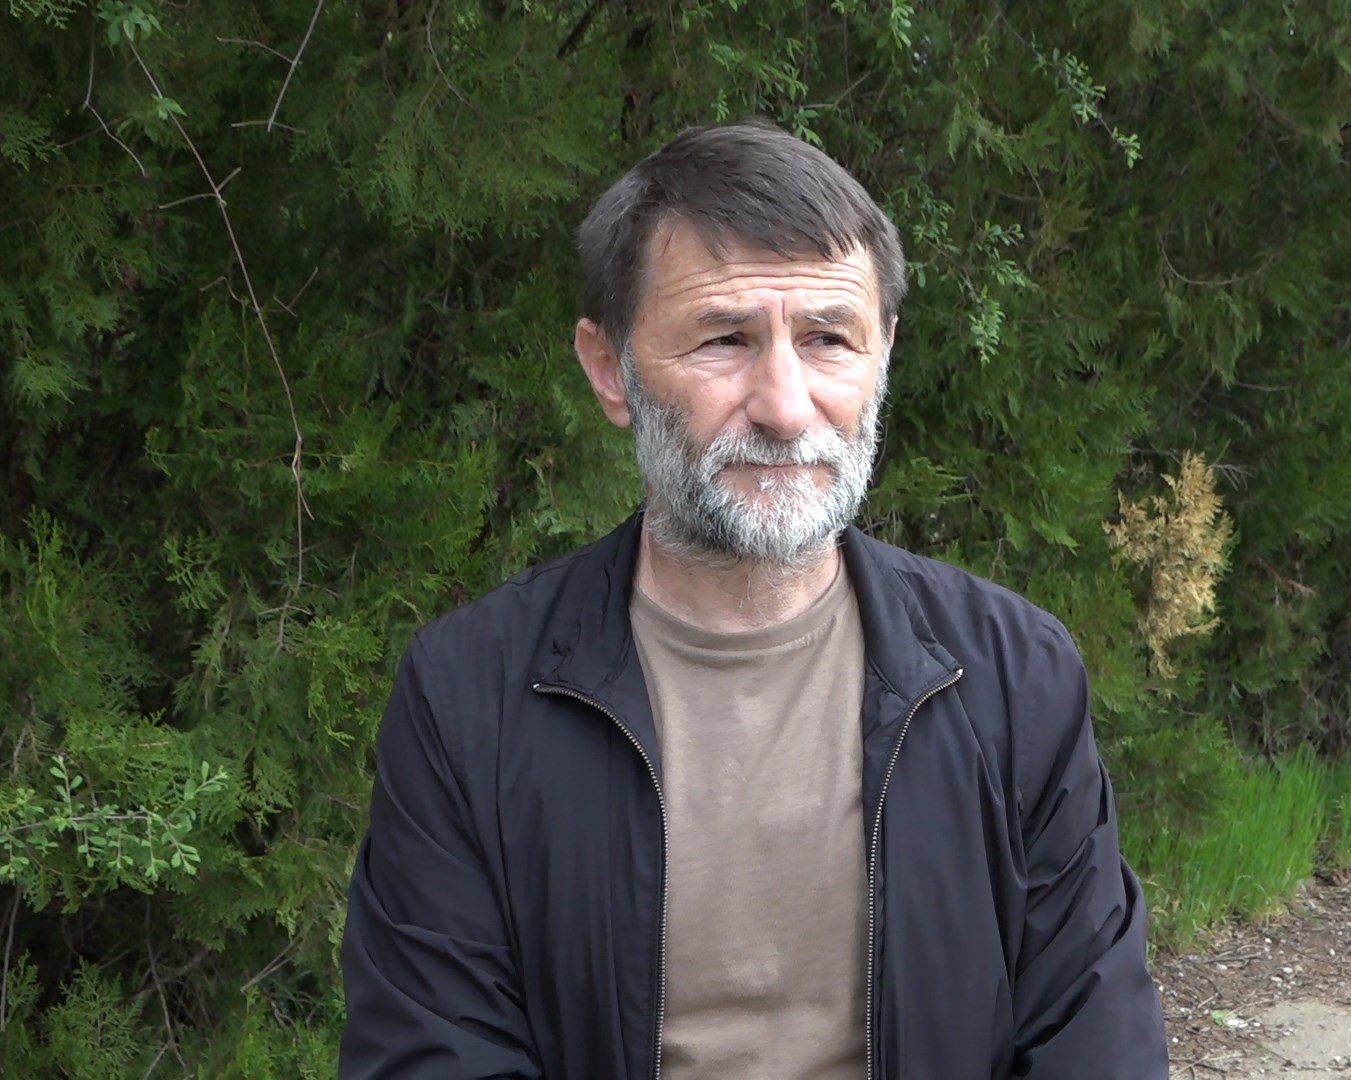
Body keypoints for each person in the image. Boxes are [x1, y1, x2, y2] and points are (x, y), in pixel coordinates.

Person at [338, 118, 1168, 1079]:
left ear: (884, 356)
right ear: (610, 369)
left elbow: (1093, 1044)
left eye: (828, 340)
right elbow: (433, 1057)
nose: (784, 405)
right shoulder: (468, 697)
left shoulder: (1014, 677)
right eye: (725, 340)